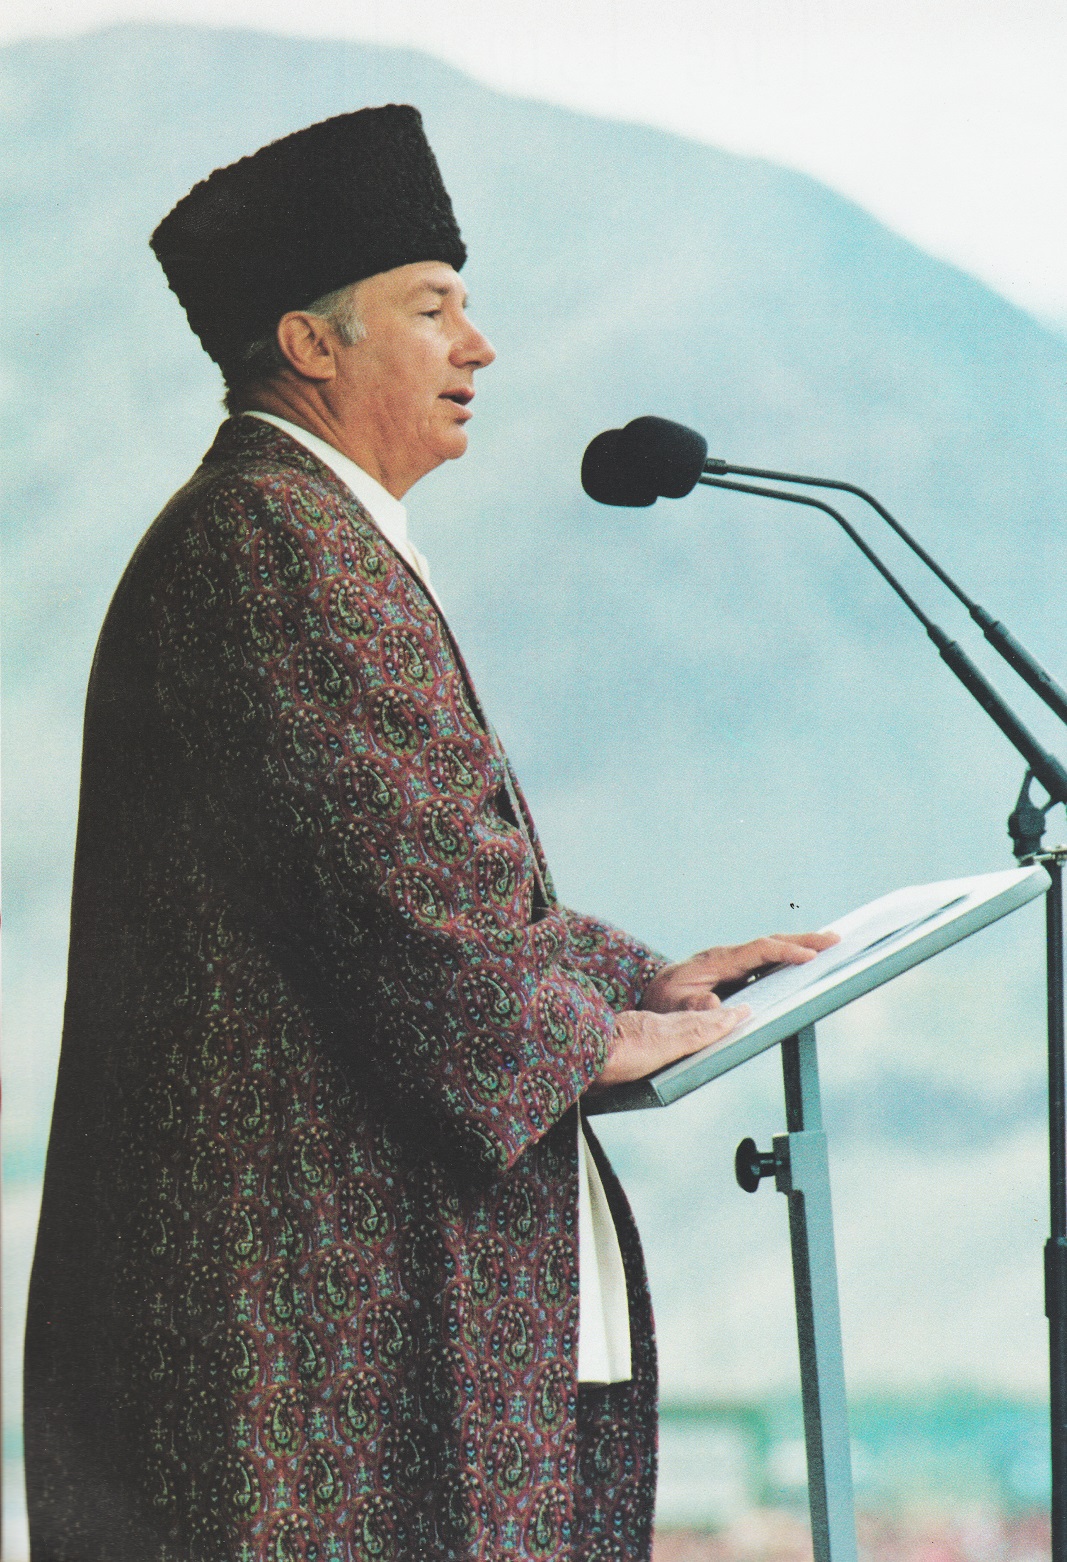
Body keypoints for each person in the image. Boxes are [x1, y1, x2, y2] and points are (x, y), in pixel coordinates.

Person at [24, 105, 835, 1562]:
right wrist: (596, 1029)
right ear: (312, 343)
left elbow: (409, 869)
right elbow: (419, 918)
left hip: (336, 1350)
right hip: (309, 1367)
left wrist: (639, 980)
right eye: (434, 307)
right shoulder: (275, 548)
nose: (481, 346)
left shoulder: (291, 532)